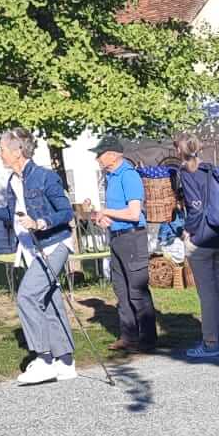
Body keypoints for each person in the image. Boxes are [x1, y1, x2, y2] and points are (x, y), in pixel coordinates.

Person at [0, 128, 77, 385]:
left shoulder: (45, 177)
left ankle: (45, 359)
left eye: (2, 149)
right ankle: (66, 362)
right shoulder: (12, 181)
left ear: (17, 151)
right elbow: (11, 214)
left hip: (54, 245)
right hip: (30, 250)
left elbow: (66, 212)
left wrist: (40, 222)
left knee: (27, 296)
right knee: (48, 301)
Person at [88, 137, 158, 354]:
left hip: (132, 238)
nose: (97, 158)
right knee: (121, 289)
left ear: (112, 154)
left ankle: (147, 339)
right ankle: (128, 336)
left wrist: (107, 212)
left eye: (99, 154)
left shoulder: (129, 176)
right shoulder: (110, 177)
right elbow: (118, 213)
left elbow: (134, 213)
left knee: (136, 289)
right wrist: (102, 218)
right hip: (117, 236)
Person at [171, 135, 219, 360]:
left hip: (201, 239)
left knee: (207, 294)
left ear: (179, 151)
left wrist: (187, 232)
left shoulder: (187, 174)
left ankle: (210, 343)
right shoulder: (211, 170)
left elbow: (195, 208)